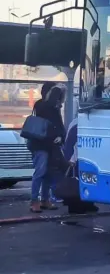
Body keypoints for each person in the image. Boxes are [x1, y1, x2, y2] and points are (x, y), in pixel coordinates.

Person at [27, 84, 67, 213]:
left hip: (51, 145)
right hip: (40, 144)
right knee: (40, 171)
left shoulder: (54, 107)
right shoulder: (41, 105)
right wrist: (57, 89)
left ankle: (45, 199)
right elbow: (49, 122)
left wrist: (60, 136)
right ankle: (34, 201)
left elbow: (59, 125)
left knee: (48, 173)